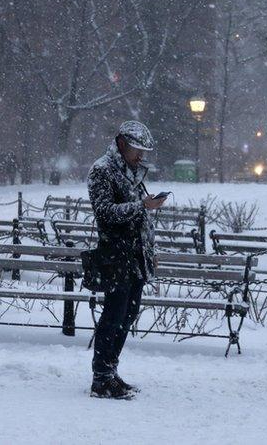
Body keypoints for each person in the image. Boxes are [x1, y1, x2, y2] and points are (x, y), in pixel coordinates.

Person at [86, 120, 166, 399]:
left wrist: (145, 207)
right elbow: (105, 212)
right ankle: (101, 377)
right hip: (115, 254)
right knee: (113, 315)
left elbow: (136, 214)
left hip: (135, 255)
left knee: (128, 314)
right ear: (122, 144)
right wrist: (141, 206)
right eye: (137, 149)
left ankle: (111, 371)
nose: (141, 155)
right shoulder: (102, 171)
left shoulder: (132, 172)